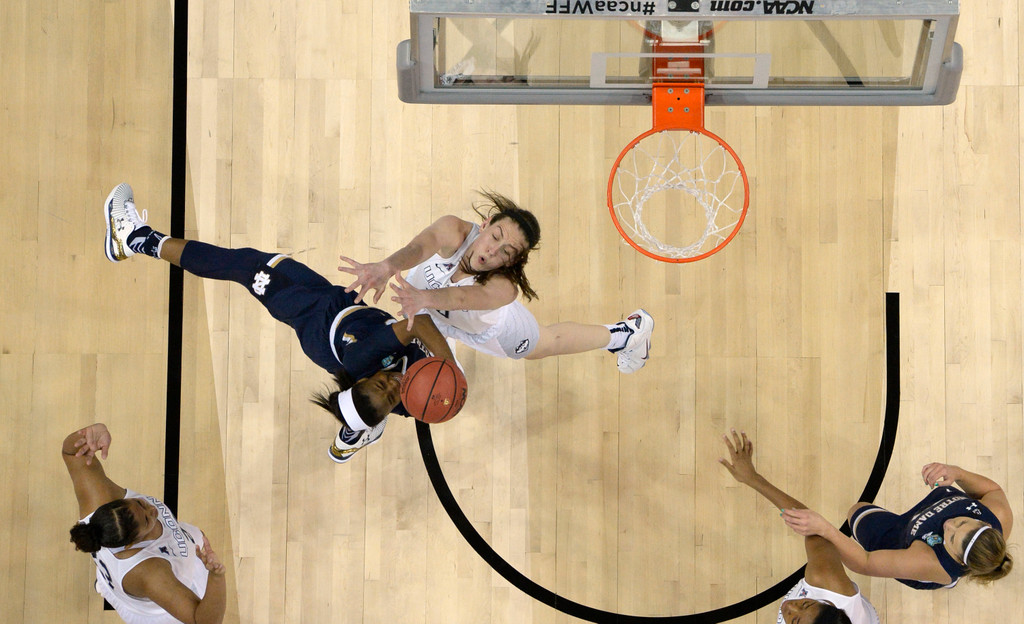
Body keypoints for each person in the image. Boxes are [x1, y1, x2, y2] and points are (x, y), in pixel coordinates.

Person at [103, 183, 457, 463]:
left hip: (310, 314)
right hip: (342, 307)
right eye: (391, 395)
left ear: (365, 378)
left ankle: (137, 239)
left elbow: (420, 323)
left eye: (383, 387)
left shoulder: (361, 360)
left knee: (250, 265)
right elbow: (423, 368)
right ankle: (135, 239)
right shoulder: (412, 399)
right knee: (248, 264)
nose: (394, 386)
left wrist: (450, 367)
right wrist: (446, 379)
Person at [338, 190, 654, 373]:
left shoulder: (504, 288)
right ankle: (361, 420)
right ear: (485, 223)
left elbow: (461, 300)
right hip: (426, 315)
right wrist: (385, 266)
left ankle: (626, 335)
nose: (491, 251)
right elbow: (419, 247)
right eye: (494, 236)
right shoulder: (454, 231)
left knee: (546, 345)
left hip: (488, 331)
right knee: (387, 365)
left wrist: (424, 299)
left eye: (506, 251)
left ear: (513, 261)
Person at [64, 422, 227, 624]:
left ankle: (107, 584)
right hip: (161, 614)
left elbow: (71, 454)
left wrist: (88, 435)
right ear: (132, 544)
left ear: (118, 501)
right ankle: (113, 586)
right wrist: (217, 578)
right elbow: (204, 621)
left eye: (140, 503)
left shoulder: (100, 499)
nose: (153, 510)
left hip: (170, 560)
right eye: (148, 519)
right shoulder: (150, 573)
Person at [719, 430, 879, 624]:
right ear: (828, 605)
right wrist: (753, 479)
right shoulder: (826, 578)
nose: (791, 606)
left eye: (794, 620)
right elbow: (809, 524)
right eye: (806, 604)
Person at [781, 462, 1013, 590]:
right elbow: (993, 491)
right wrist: (957, 473)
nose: (949, 525)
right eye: (962, 522)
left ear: (959, 560)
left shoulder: (929, 562)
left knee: (855, 512)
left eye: (951, 538)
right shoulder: (998, 513)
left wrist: (825, 529)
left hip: (901, 539)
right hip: (920, 520)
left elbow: (865, 563)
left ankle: (946, 583)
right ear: (982, 521)